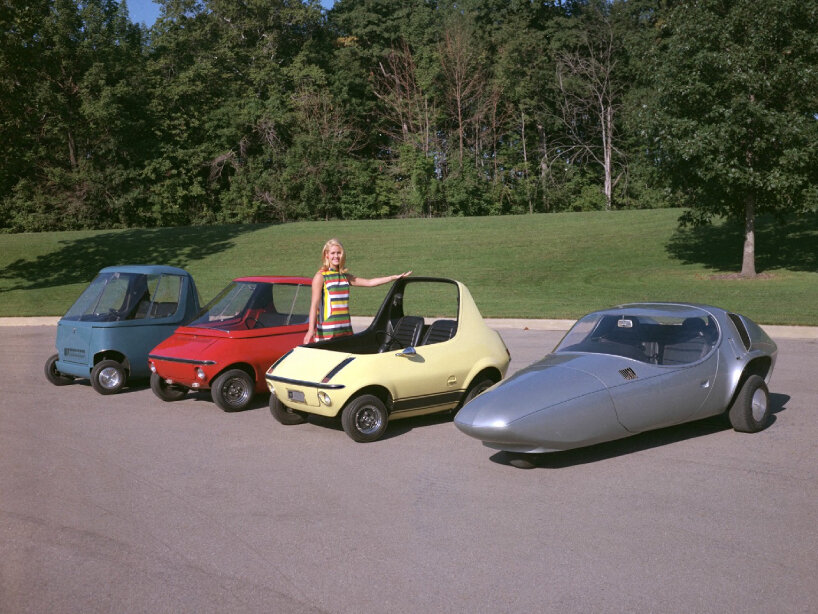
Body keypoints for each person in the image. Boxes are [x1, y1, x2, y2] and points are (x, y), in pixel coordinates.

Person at [303, 238, 411, 344]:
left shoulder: (345, 277)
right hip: (327, 331)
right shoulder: (321, 276)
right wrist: (310, 329)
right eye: (333, 253)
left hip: (345, 329)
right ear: (326, 255)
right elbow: (314, 305)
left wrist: (393, 277)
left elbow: (369, 282)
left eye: (339, 253)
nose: (336, 256)